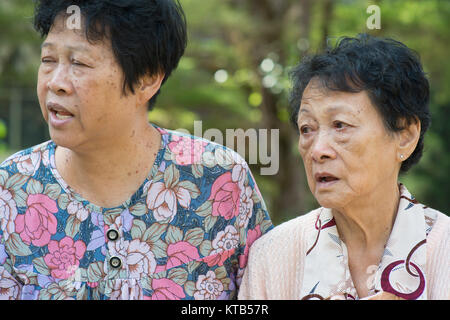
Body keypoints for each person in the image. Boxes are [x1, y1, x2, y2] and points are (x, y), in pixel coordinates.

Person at [0, 0, 273, 300]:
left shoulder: (220, 180)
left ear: (147, 78)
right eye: (48, 59)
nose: (55, 82)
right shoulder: (12, 191)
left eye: (79, 63)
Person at [239, 34, 449, 300]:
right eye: (307, 129)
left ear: (405, 136)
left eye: (340, 125)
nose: (317, 150)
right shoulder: (272, 256)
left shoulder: (444, 250)